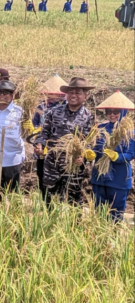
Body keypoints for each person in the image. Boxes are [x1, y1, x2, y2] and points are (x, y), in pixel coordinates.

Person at [35, 77, 95, 207]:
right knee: (49, 198)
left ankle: (73, 226)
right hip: (52, 163)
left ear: (85, 96)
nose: (73, 95)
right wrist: (40, 145)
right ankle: (49, 224)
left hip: (73, 165)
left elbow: (89, 142)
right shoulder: (54, 112)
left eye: (78, 93)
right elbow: (43, 133)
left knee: (73, 200)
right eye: (71, 92)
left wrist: (83, 157)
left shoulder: (89, 116)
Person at [89, 91, 135, 222]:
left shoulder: (130, 132)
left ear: (124, 112)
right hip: (99, 177)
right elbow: (93, 146)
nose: (112, 114)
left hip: (119, 179)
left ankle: (112, 238)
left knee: (115, 214)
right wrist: (90, 155)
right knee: (99, 213)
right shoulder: (100, 128)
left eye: (116, 111)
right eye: (109, 111)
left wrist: (117, 157)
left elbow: (131, 154)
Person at [32, 74, 67, 192]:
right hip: (41, 147)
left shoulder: (65, 107)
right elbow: (35, 123)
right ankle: (45, 204)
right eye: (49, 93)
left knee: (59, 180)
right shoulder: (41, 106)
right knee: (42, 177)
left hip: (58, 150)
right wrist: (35, 129)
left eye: (55, 94)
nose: (52, 96)